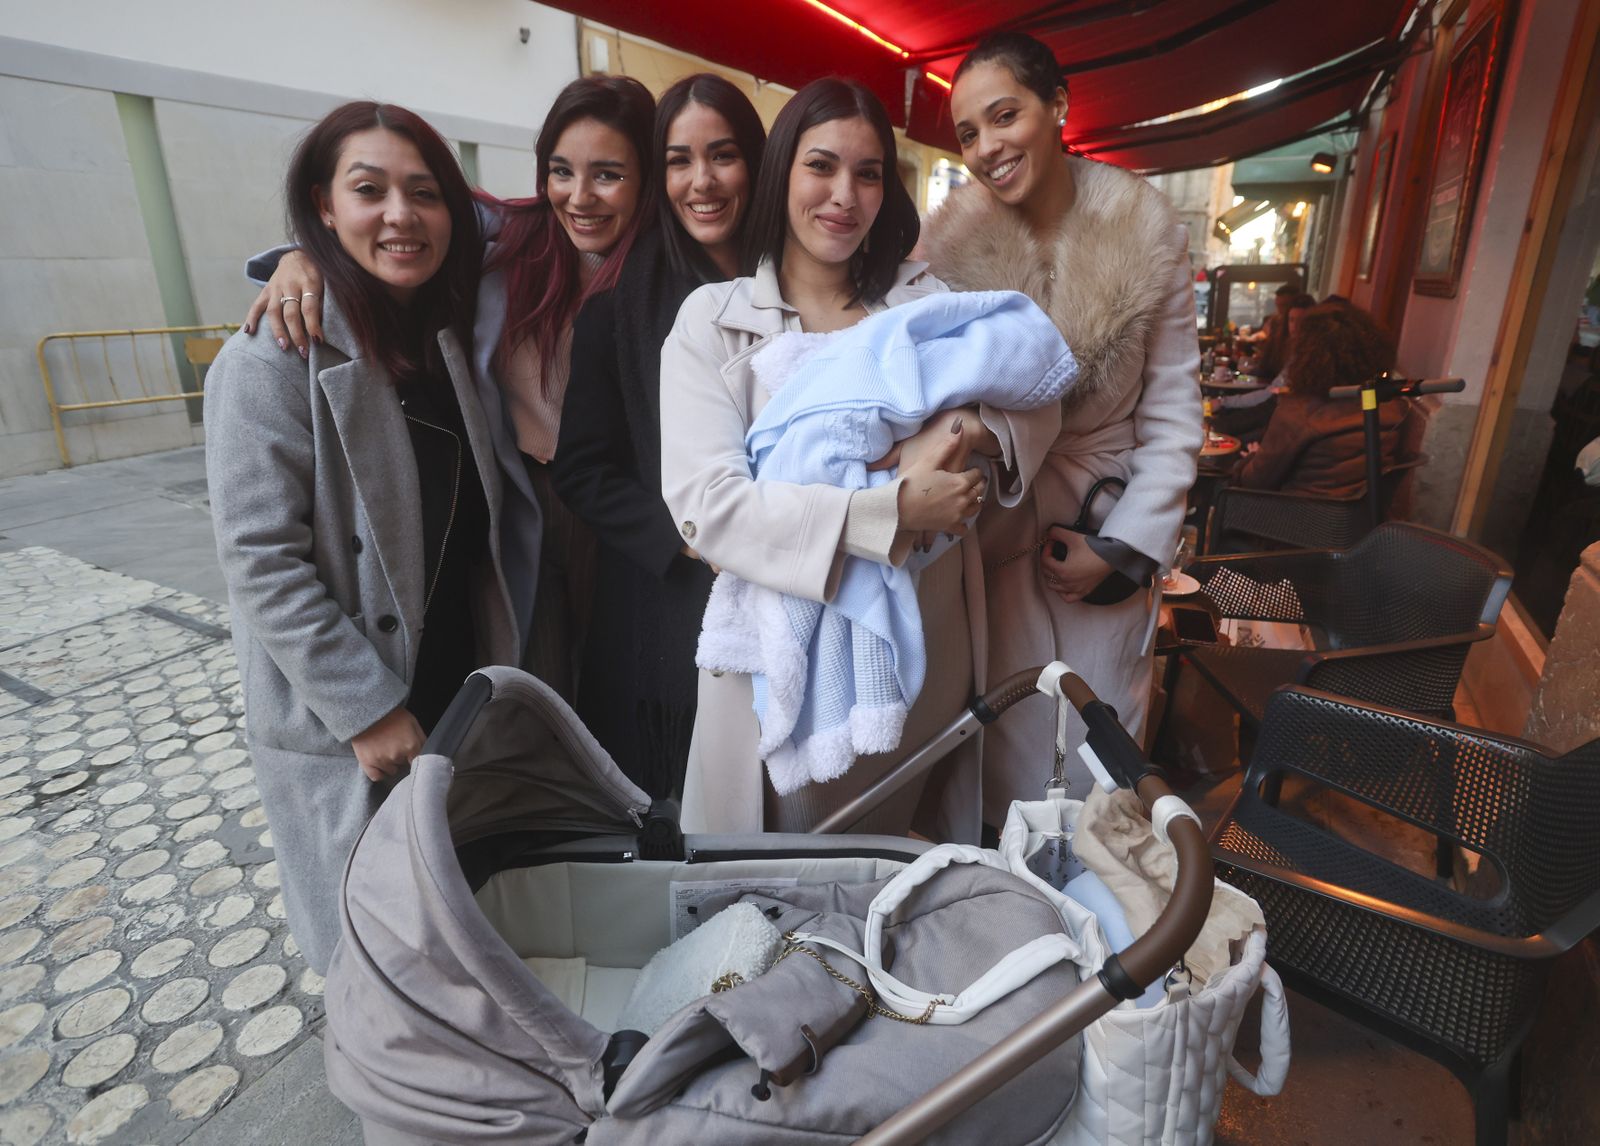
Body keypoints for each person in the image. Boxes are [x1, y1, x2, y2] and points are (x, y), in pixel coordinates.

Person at [659, 77, 1059, 838]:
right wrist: (889, 509)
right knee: (775, 889)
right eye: (822, 166)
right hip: (777, 675)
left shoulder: (920, 305)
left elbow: (1037, 391)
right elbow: (708, 507)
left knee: (899, 887)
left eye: (868, 172)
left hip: (928, 653)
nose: (844, 194)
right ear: (781, 174)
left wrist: (963, 437)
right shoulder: (713, 322)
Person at [206, 102, 519, 972]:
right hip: (359, 720)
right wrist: (366, 705)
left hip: (454, 693)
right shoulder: (270, 356)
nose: (399, 215)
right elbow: (258, 557)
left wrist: (300, 251)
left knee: (458, 934)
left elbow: (517, 221)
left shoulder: (443, 338)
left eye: (424, 193)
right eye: (368, 189)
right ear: (323, 202)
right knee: (376, 957)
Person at [244, 76, 656, 701]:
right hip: (521, 498)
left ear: (646, 178)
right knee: (535, 684)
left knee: (622, 677)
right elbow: (396, 220)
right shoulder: (511, 236)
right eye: (560, 171)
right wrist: (294, 260)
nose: (579, 197)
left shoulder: (664, 269)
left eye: (609, 174)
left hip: (623, 505)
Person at [922, 31, 1202, 821]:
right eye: (968, 133)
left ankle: (1107, 932)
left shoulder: (1145, 227)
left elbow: (1177, 409)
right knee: (1001, 742)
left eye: (1003, 116)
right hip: (996, 530)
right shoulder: (946, 248)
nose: (986, 148)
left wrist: (1124, 548)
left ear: (1058, 106)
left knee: (1098, 759)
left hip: (1104, 520)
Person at [551, 74, 765, 797]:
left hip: (793, 585)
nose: (700, 182)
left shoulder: (801, 285)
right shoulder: (618, 307)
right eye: (678, 160)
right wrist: (685, 534)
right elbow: (580, 469)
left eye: (723, 156)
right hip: (664, 604)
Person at [1234, 303, 1411, 496]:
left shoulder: (1299, 411)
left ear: (1309, 355)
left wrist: (1250, 459)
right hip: (1357, 519)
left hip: (1292, 517)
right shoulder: (1394, 408)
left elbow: (1254, 482)